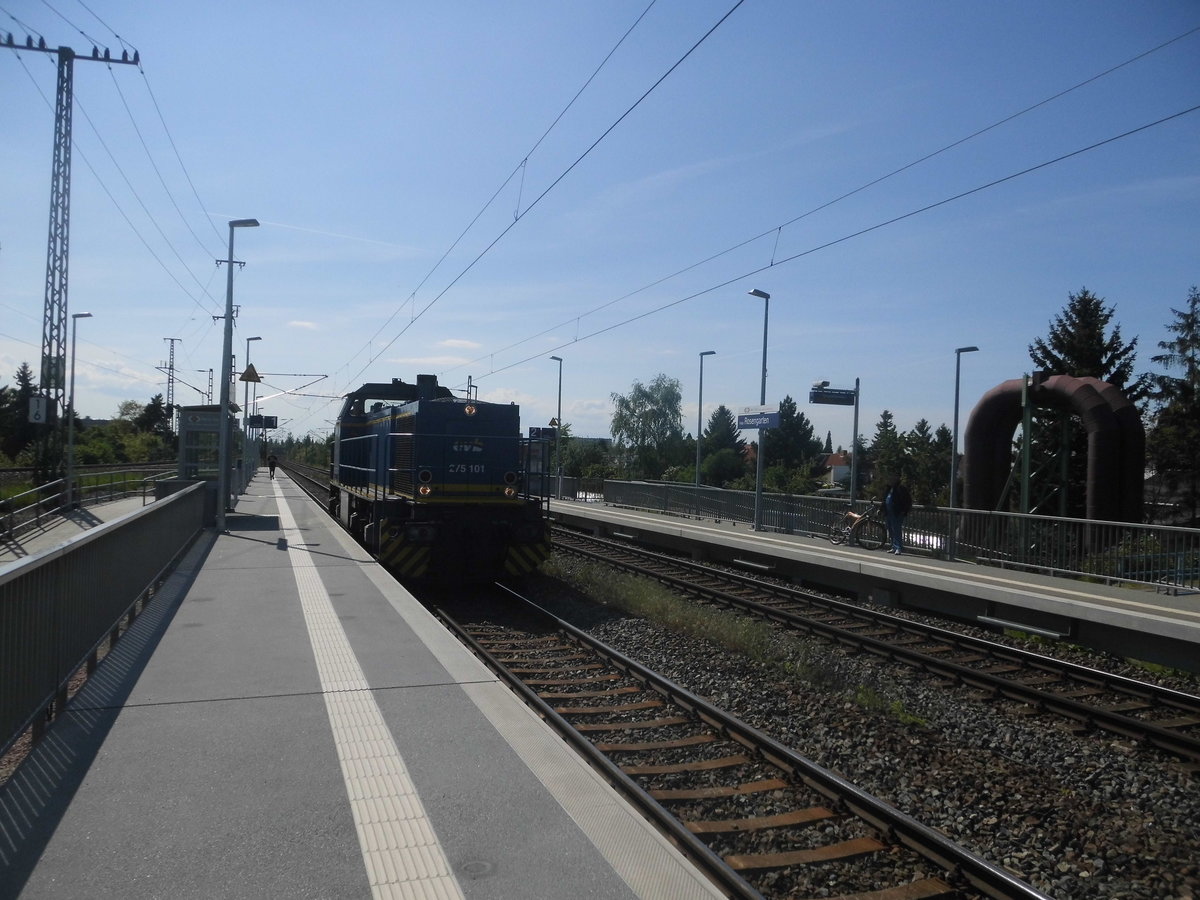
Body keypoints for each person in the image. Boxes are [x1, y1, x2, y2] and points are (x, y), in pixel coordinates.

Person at [881, 475, 912, 555]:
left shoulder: (900, 488)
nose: (890, 480)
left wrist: (904, 510)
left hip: (897, 512)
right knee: (890, 529)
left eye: (892, 479)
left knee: (896, 530)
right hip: (889, 512)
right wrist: (881, 509)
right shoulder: (888, 489)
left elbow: (907, 500)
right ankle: (893, 546)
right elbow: (884, 499)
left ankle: (898, 547)